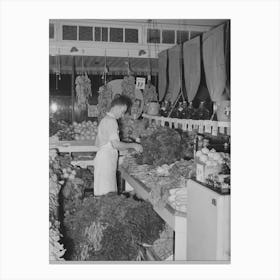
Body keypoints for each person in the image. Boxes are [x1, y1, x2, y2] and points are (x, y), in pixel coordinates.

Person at [93, 95, 143, 196]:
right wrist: (133, 145)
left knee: (103, 192)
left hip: (103, 159)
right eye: (122, 111)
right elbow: (116, 144)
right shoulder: (111, 122)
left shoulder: (105, 119)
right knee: (107, 194)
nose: (122, 115)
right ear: (118, 107)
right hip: (106, 162)